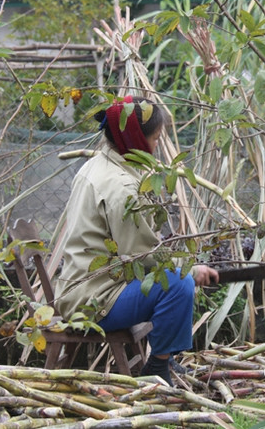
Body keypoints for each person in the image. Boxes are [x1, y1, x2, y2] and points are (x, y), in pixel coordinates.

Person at [53, 95, 218, 384]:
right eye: (155, 139)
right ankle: (157, 367)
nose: (157, 146)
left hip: (79, 288)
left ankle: (165, 358)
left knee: (174, 279)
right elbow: (143, 256)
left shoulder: (98, 164)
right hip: (94, 301)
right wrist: (190, 270)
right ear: (135, 140)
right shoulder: (123, 188)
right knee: (178, 285)